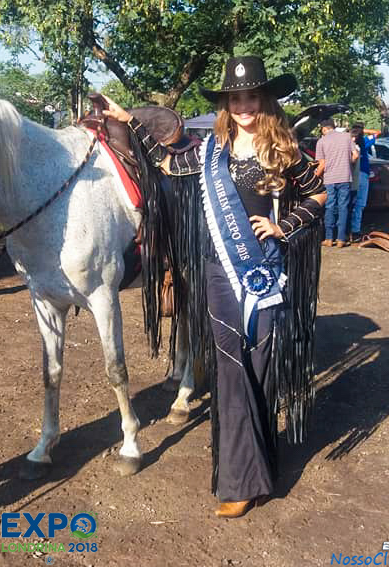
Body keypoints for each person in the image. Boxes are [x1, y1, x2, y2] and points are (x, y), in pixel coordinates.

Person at [102, 56, 326, 519]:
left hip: (264, 274)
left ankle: (259, 470)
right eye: (235, 98)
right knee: (229, 370)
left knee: (259, 370)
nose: (243, 105)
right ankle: (239, 480)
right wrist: (129, 121)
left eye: (251, 96)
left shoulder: (286, 150)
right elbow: (167, 162)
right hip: (217, 274)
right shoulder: (209, 150)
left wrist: (285, 226)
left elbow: (319, 195)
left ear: (264, 100)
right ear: (226, 104)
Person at [314, 119, 358, 247]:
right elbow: (355, 155)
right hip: (345, 177)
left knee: (330, 206)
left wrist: (315, 176)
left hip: (329, 179)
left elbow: (322, 163)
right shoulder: (346, 137)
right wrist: (347, 164)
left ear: (324, 129)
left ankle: (328, 239)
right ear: (334, 126)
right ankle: (341, 239)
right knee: (343, 207)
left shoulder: (321, 141)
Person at [349, 123, 375, 243]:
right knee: (359, 204)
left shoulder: (348, 143)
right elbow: (377, 133)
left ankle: (346, 230)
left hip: (349, 175)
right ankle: (355, 231)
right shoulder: (364, 142)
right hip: (363, 174)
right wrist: (364, 131)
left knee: (348, 203)